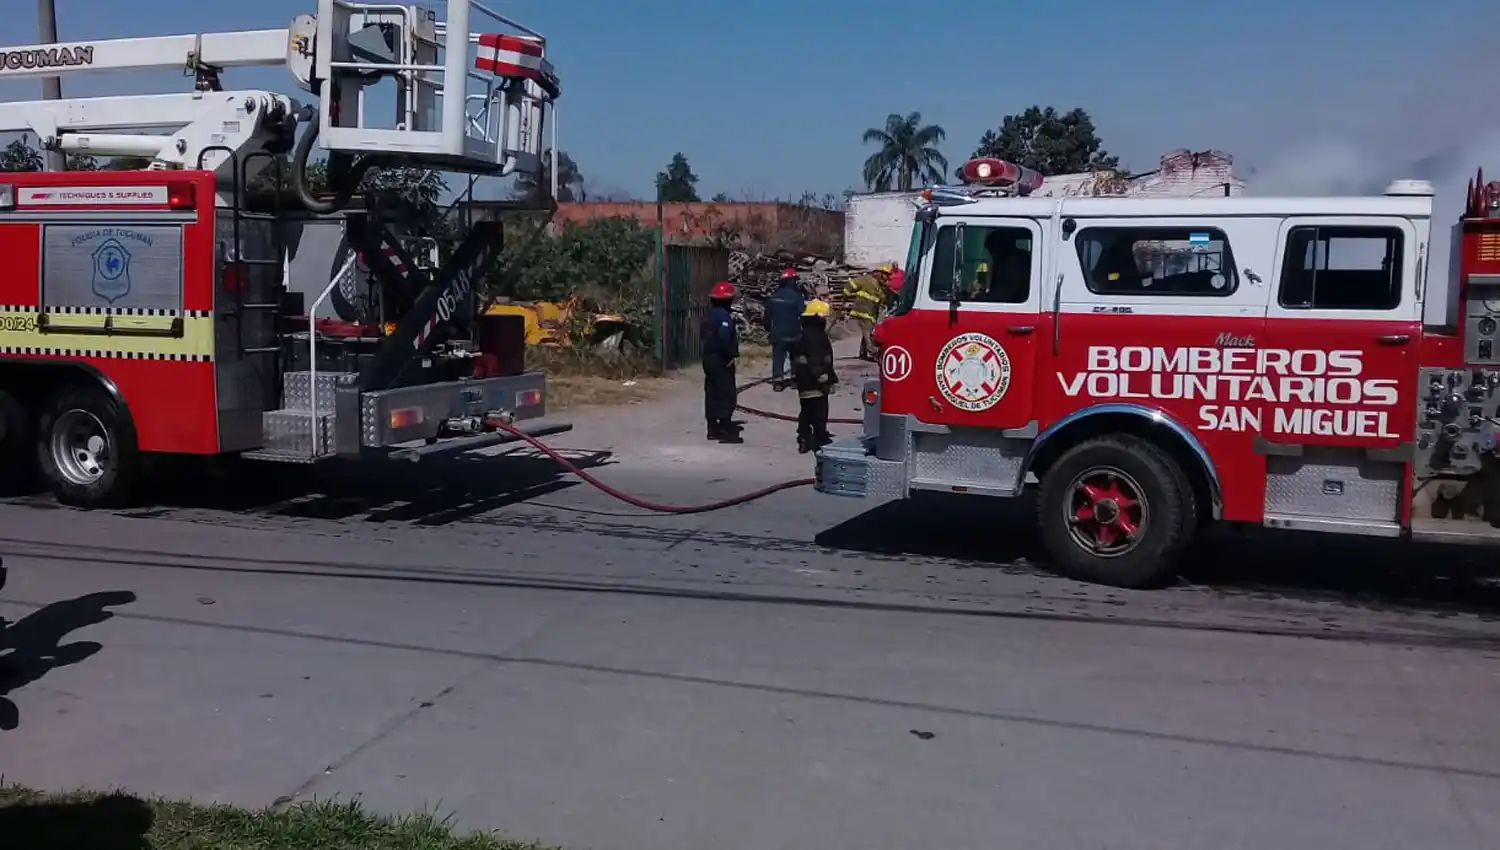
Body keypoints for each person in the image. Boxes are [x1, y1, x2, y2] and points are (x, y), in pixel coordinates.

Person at [788, 299, 837, 453]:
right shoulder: (817, 337)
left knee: (806, 410)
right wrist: (824, 379)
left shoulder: (801, 335)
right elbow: (817, 360)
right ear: (819, 318)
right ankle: (819, 438)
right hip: (815, 381)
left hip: (803, 381)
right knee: (819, 411)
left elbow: (796, 359)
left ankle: (803, 437)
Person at [700, 280, 743, 444]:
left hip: (708, 358)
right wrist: (730, 355)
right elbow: (725, 337)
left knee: (711, 392)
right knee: (726, 393)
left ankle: (712, 427)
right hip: (720, 359)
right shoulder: (723, 317)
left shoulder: (708, 315)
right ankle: (725, 428)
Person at [764, 268, 806, 391]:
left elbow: (767, 316)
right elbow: (802, 314)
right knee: (795, 357)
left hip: (778, 333)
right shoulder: (798, 297)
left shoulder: (773, 296)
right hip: (794, 333)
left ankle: (778, 381)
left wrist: (768, 329)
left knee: (778, 357)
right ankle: (794, 379)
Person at [843, 267, 886, 362]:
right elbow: (850, 285)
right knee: (869, 332)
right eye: (884, 275)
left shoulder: (878, 285)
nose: (885, 278)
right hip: (863, 312)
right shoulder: (866, 279)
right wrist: (845, 297)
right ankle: (874, 353)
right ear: (878, 273)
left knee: (868, 330)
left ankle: (863, 353)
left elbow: (881, 299)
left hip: (870, 312)